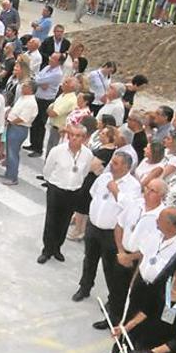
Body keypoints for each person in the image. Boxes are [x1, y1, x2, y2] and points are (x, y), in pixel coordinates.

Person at [73, 152, 142, 326]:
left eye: (117, 163)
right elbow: (93, 193)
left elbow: (130, 207)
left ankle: (113, 301)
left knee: (111, 270)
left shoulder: (133, 186)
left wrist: (116, 190)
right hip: (94, 227)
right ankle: (85, 287)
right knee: (89, 260)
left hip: (112, 234)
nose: (112, 165)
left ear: (126, 167)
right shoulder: (104, 177)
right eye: (113, 162)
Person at [39, 125, 94, 263]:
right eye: (72, 135)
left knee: (64, 221)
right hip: (56, 189)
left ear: (84, 138)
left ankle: (57, 248)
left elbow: (85, 172)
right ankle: (47, 250)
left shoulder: (87, 154)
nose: (74, 138)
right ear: (68, 135)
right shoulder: (57, 151)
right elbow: (47, 169)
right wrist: (52, 182)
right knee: (51, 220)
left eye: (78, 135)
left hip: (74, 191)